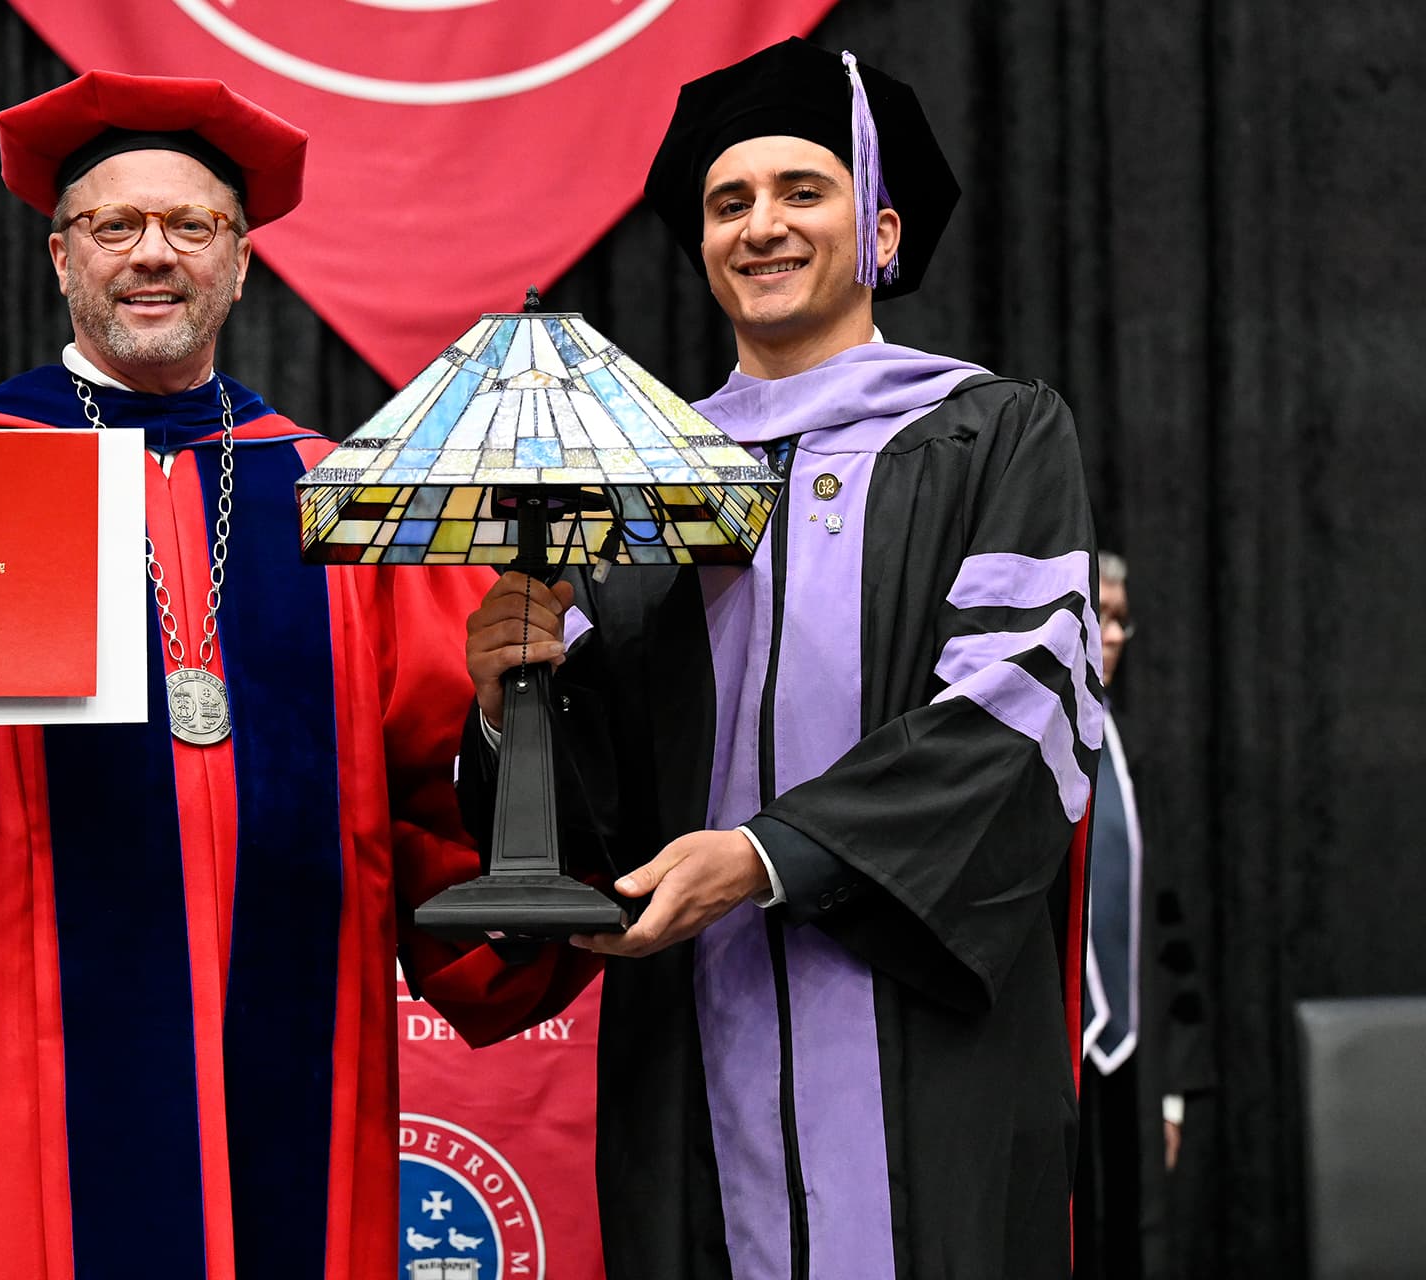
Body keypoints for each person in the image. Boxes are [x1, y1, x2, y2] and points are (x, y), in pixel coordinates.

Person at [0, 72, 581, 1280]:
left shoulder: (340, 500)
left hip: (290, 1055)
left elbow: (444, 793)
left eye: (191, 226)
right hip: (18, 1070)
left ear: (242, 262)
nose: (153, 255)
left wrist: (504, 710)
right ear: (60, 258)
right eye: (115, 225)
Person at [461, 37, 1099, 1279]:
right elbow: (592, 818)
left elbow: (1016, 716)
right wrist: (509, 708)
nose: (762, 225)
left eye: (803, 191)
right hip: (692, 1055)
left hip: (924, 1045)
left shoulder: (990, 434)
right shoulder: (637, 477)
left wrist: (763, 857)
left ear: (884, 230)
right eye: (728, 202)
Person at [1073, 552, 1216, 1280]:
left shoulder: (1136, 760)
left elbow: (1166, 938)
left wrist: (1172, 1093)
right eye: (1102, 615)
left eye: (1124, 620)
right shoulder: (1017, 757)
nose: (1117, 634)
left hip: (1133, 1065)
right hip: (1055, 1065)